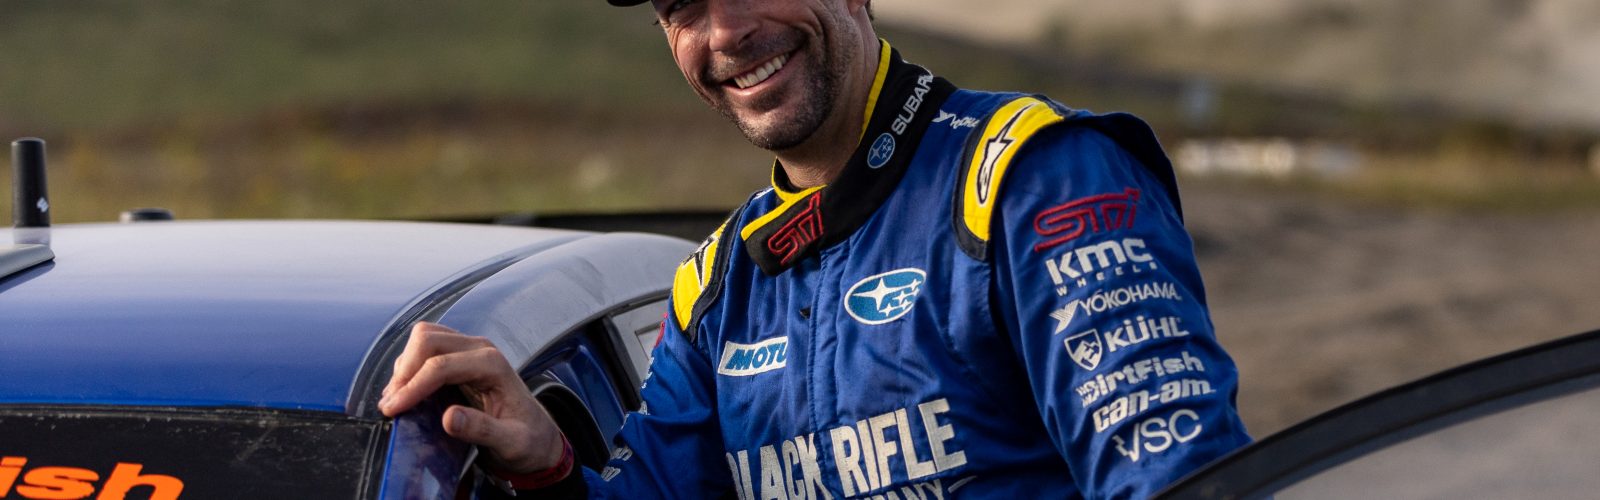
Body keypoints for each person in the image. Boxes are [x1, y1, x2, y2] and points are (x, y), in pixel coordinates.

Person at [379, 0, 1253, 497]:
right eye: (682, 4)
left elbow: (1179, 477)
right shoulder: (717, 286)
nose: (726, 33)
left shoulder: (1035, 177)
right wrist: (548, 459)